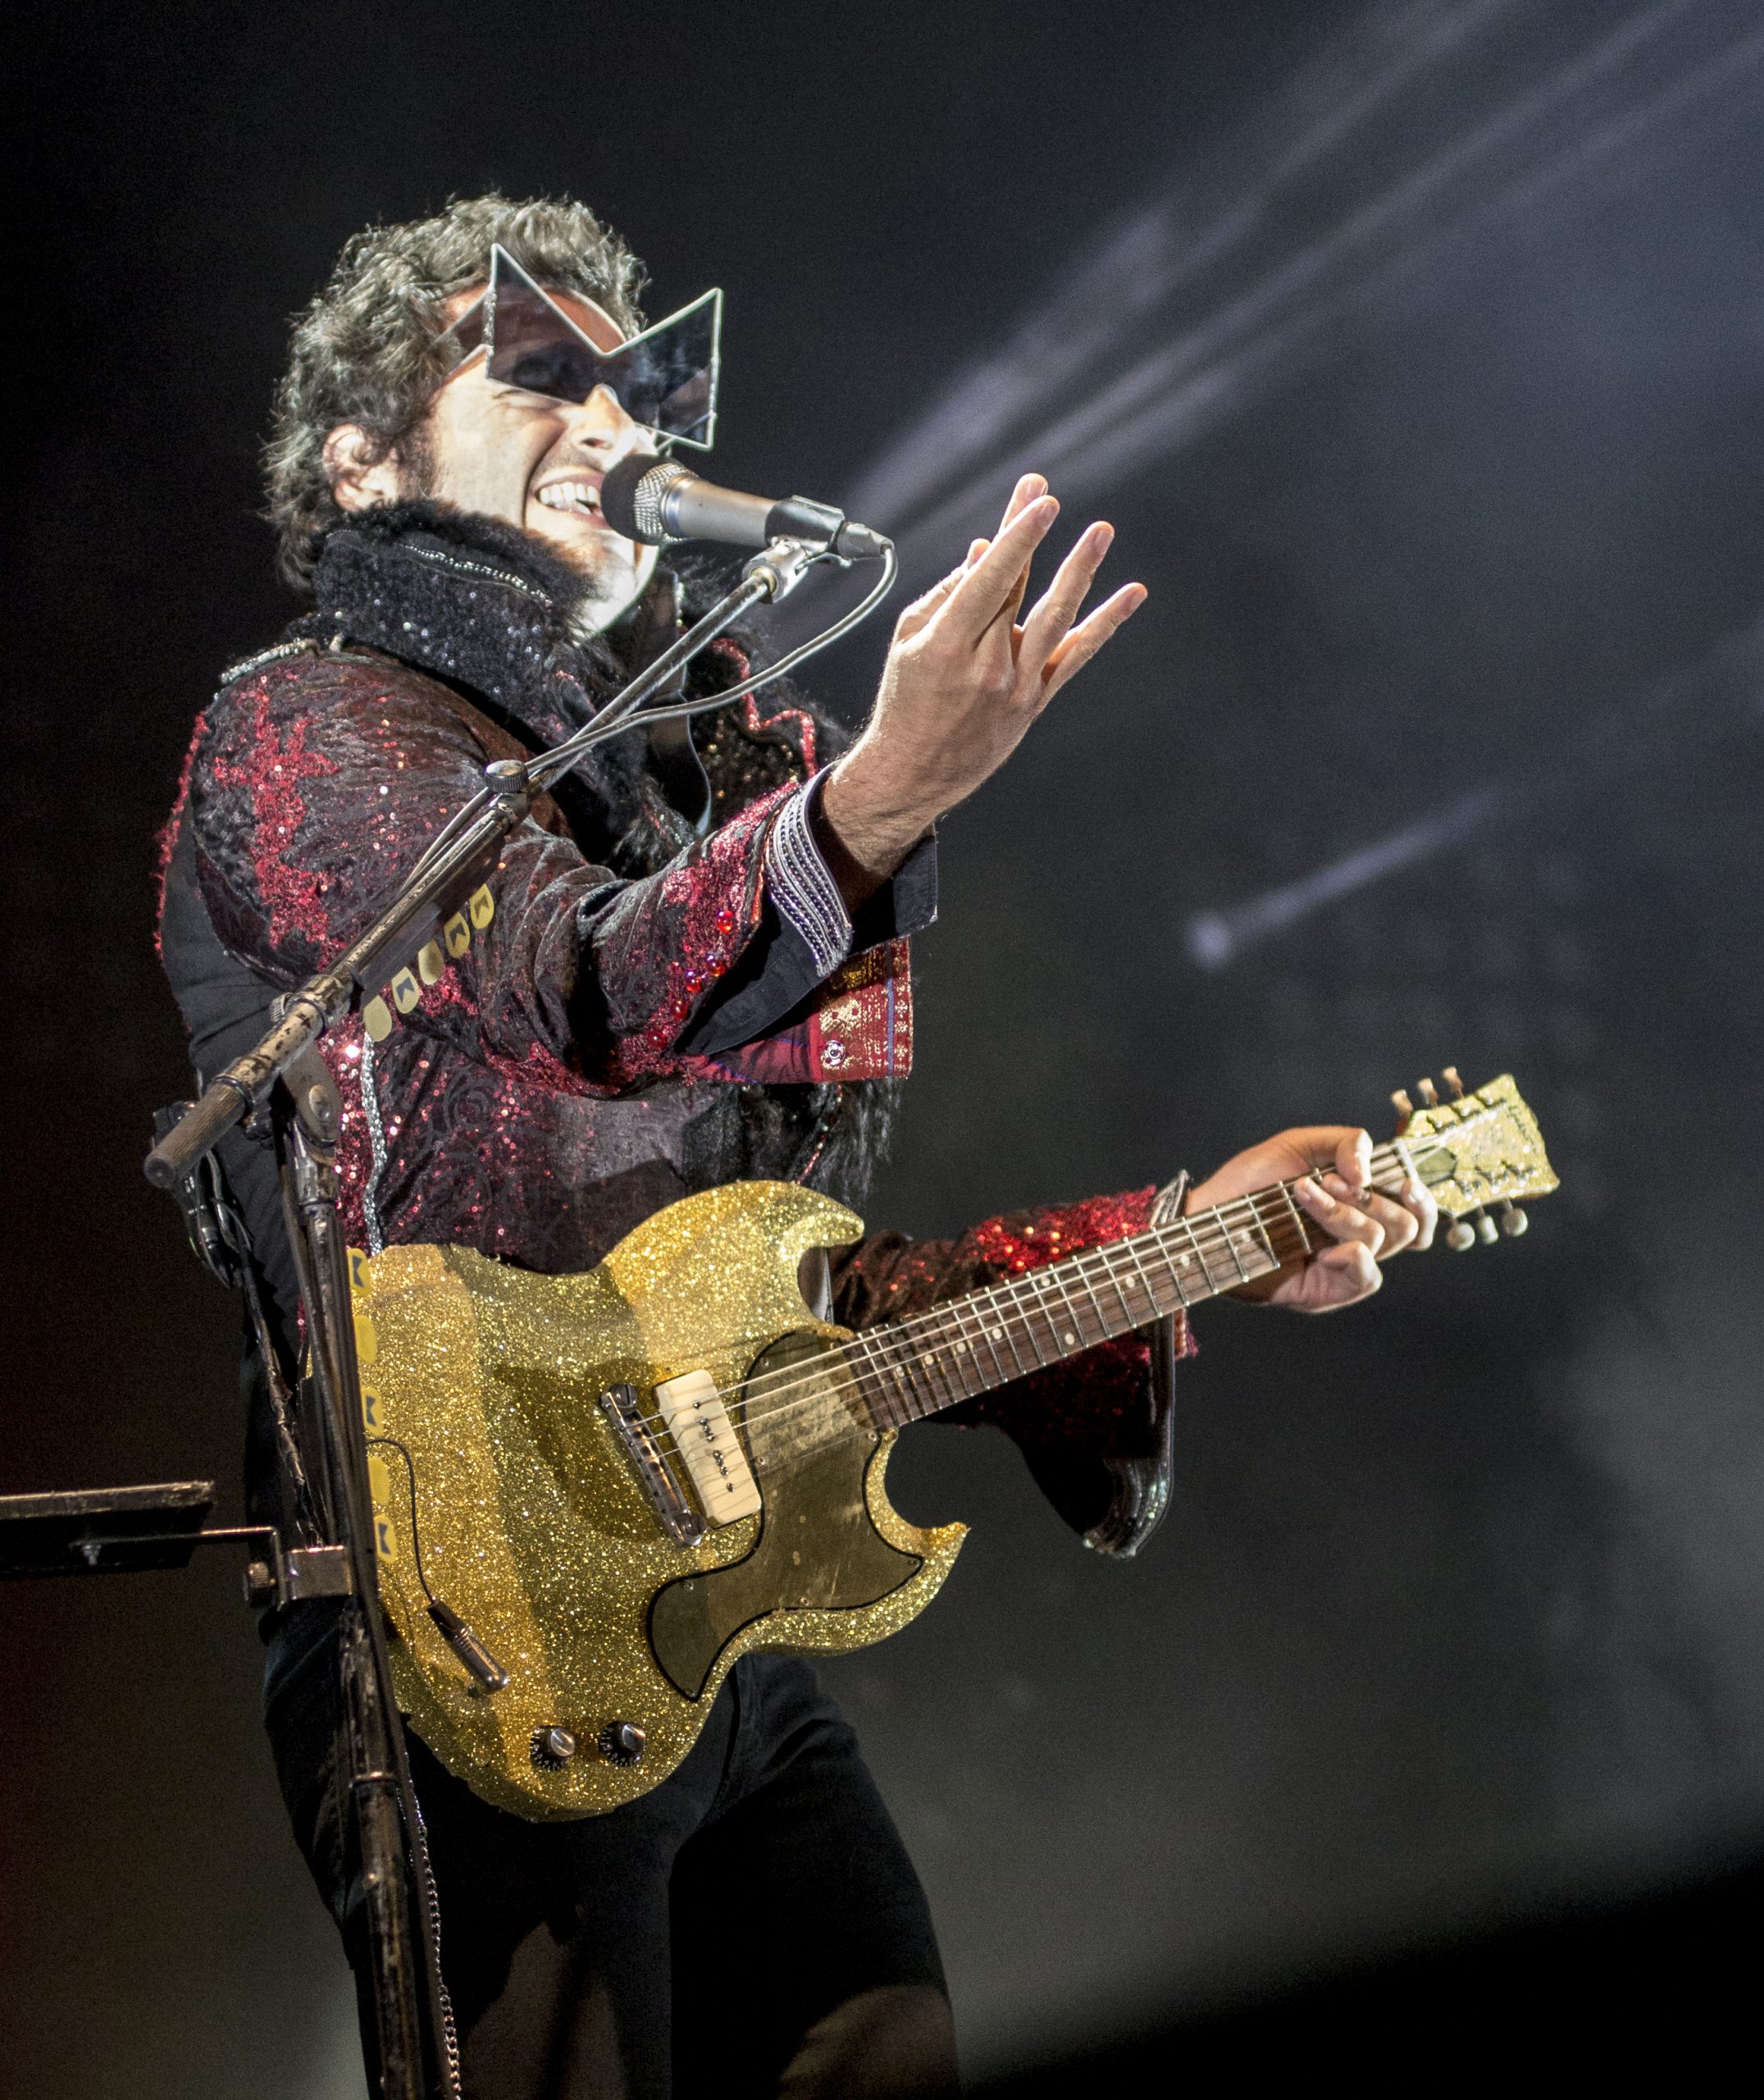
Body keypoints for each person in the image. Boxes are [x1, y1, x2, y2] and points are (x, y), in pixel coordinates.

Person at [157, 194, 1436, 2100]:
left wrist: (1185, 1234)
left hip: (706, 1621)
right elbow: (568, 986)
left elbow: (792, 1298)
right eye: (535, 369)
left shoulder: (707, 773)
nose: (617, 417)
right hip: (464, 1619)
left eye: (645, 385)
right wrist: (884, 792)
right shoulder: (313, 724)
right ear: (360, 451)